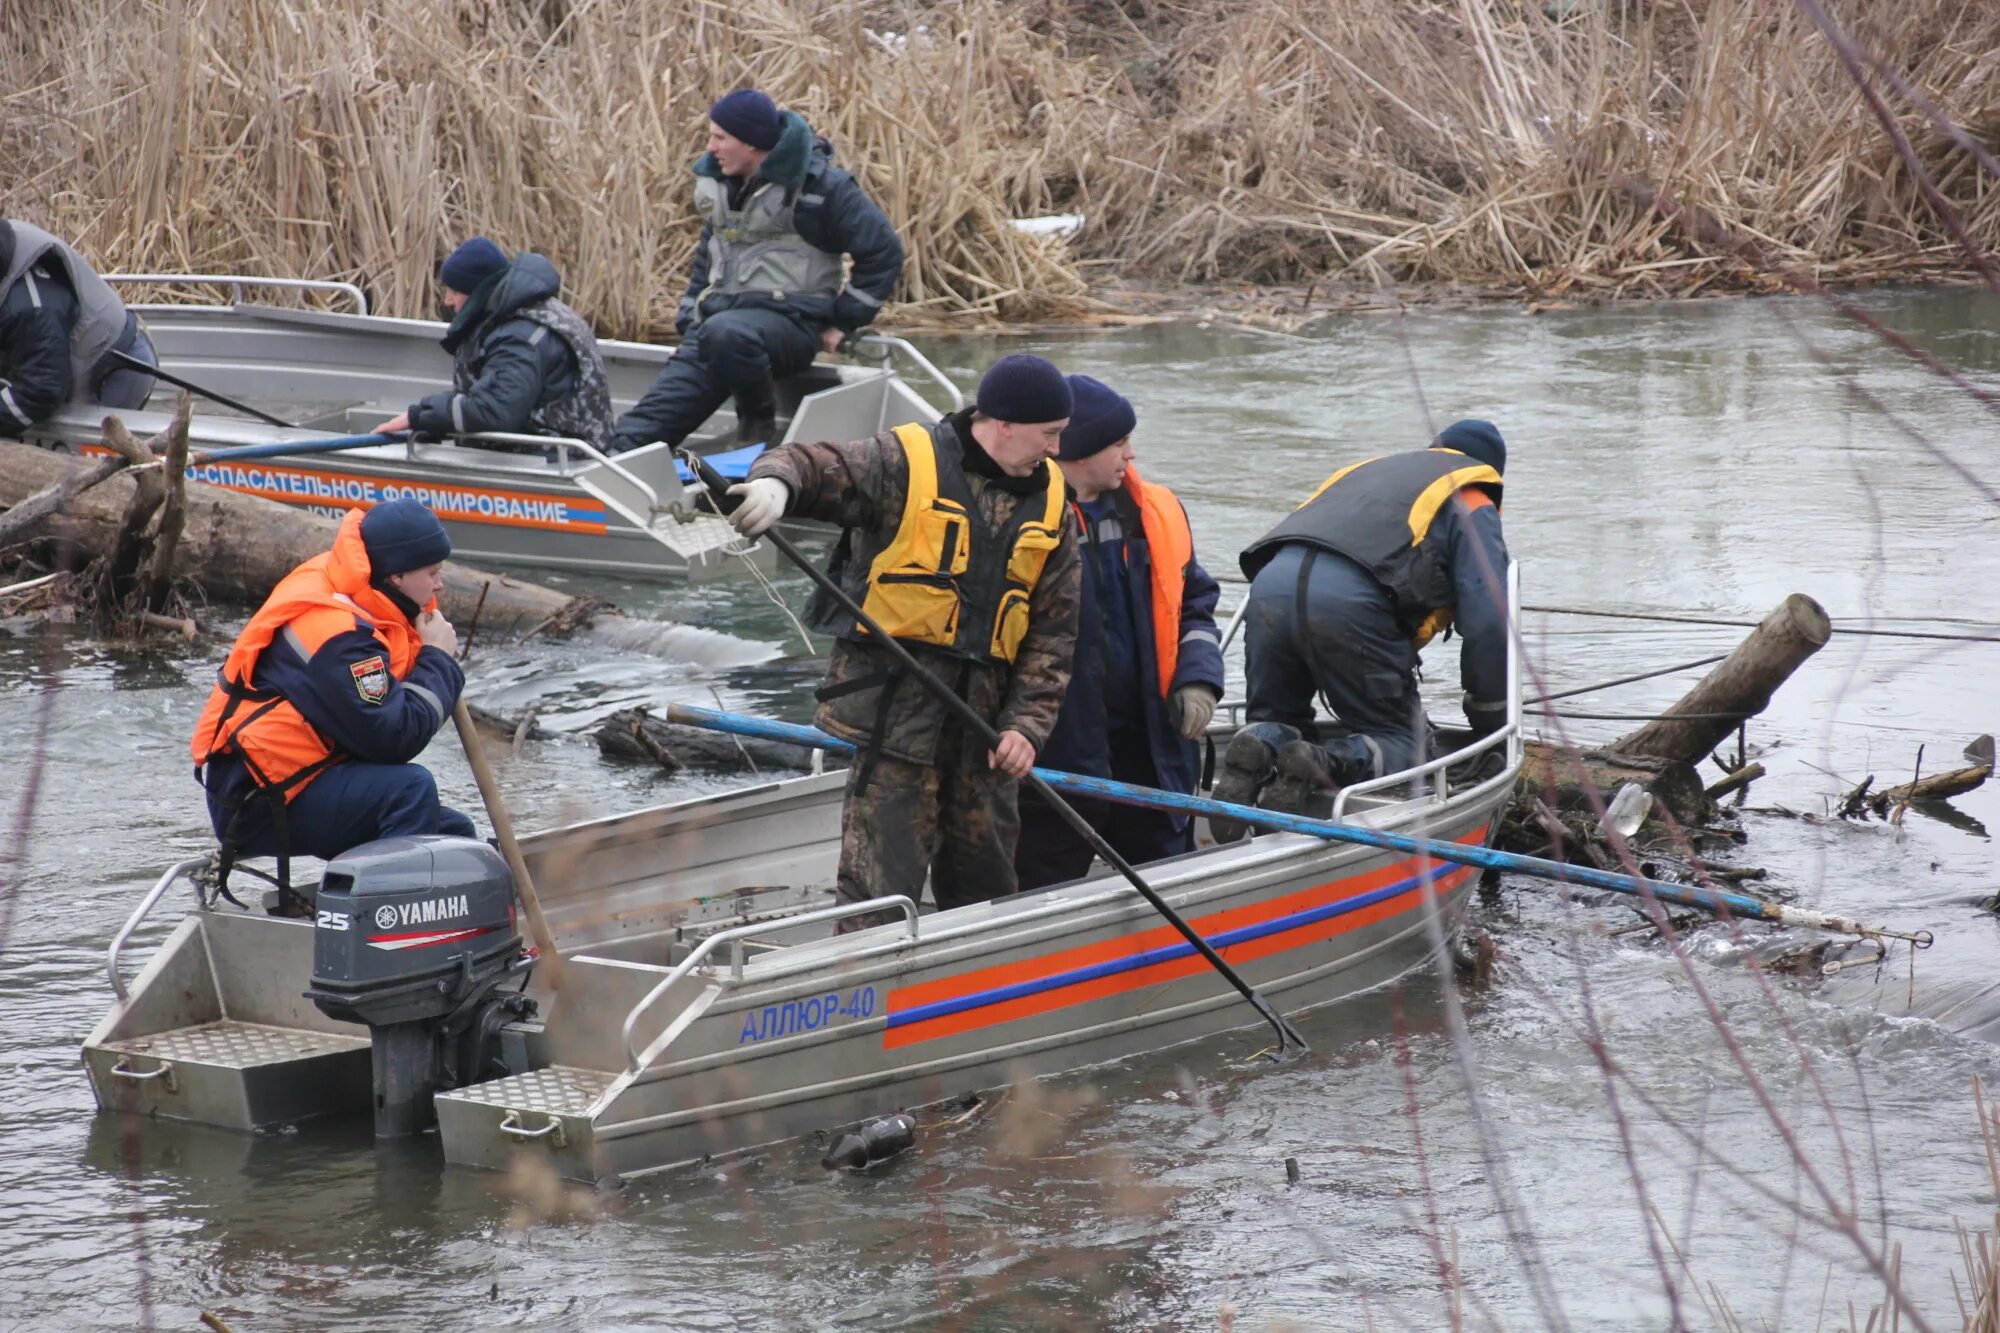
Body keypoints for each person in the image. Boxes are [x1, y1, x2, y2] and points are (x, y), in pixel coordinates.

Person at [722, 354, 1080, 923]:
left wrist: (1026, 726)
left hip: (985, 740)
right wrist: (774, 486)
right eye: (1051, 434)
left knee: (986, 893)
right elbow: (809, 463)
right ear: (1005, 422)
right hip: (893, 729)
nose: (1056, 450)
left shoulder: (1054, 506)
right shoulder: (901, 462)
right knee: (877, 895)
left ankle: (973, 997)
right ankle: (867, 998)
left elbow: (1054, 636)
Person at [1211, 419, 1511, 841]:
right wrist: (1490, 718)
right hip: (1352, 602)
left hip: (1270, 587)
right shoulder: (1473, 496)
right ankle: (1321, 762)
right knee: (1403, 741)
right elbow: (1488, 616)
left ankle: (1261, 745)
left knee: (1279, 715)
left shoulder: (1365, 473)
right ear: (1490, 470)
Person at [190, 499, 475, 899]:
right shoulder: (337, 635)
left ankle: (448, 928)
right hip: (259, 800)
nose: (439, 585)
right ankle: (388, 926)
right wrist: (438, 660)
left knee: (457, 841)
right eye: (432, 573)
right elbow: (393, 739)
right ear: (395, 575)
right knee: (410, 790)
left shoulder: (360, 585)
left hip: (299, 776)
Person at [1013, 375, 1224, 890]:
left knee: (1164, 880)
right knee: (1043, 885)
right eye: (1119, 443)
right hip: (1056, 750)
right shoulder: (1019, 521)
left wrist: (1199, 679)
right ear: (1078, 451)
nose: (1131, 455)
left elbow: (1196, 602)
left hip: (1151, 747)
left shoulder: (1156, 512)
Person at [608, 88, 904, 454]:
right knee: (629, 440)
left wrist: (843, 320)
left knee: (727, 332)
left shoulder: (823, 189)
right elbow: (707, 261)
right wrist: (689, 326)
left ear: (751, 144)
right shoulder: (719, 187)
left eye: (720, 137)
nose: (710, 147)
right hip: (718, 332)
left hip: (792, 327)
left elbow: (884, 252)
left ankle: (757, 423)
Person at [379, 237, 614, 449]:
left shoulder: (520, 336)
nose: (448, 300)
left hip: (555, 457)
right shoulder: (522, 313)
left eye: (455, 291)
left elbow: (496, 410)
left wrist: (420, 417)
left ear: (478, 292)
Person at [0, 218, 157, 435]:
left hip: (112, 370)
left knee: (84, 465)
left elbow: (39, 391)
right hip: (50, 369)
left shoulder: (32, 305)